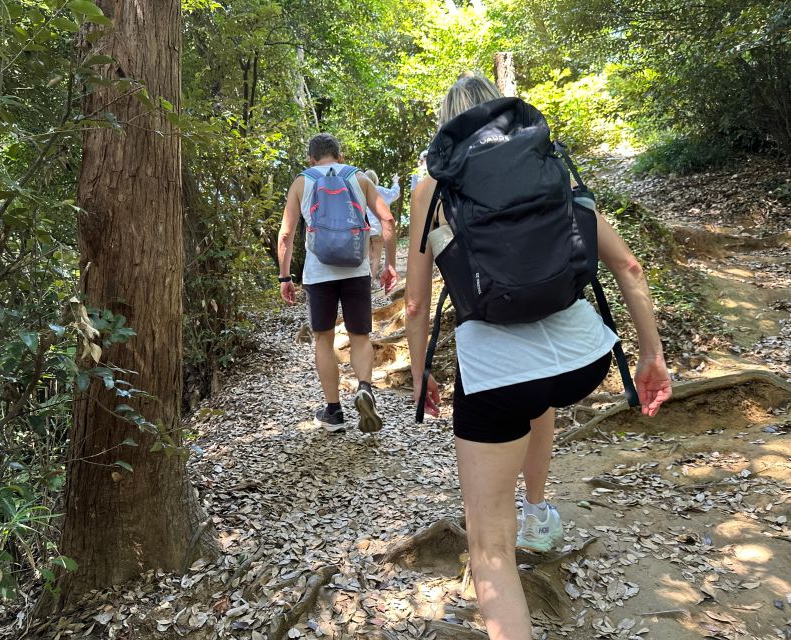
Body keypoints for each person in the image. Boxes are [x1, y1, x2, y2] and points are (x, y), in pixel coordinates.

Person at [405, 74, 672, 640]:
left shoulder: (432, 187)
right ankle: (538, 512)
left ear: (448, 127)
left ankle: (523, 532)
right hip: (582, 360)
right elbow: (628, 266)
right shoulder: (545, 164)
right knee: (538, 398)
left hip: (498, 376)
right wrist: (651, 355)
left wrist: (420, 370)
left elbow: (415, 303)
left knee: (489, 548)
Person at [278, 133, 399, 434]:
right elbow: (387, 220)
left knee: (323, 339)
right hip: (356, 268)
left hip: (319, 274)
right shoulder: (359, 178)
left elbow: (286, 234)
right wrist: (390, 265)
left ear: (311, 158)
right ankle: (365, 388)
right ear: (340, 156)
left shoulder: (301, 182)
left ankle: (334, 412)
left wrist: (285, 276)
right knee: (360, 336)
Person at [363, 170, 400, 286]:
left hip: (365, 228)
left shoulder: (362, 191)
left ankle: (366, 280)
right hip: (377, 228)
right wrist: (395, 181)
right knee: (377, 256)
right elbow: (395, 194)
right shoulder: (379, 190)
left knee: (367, 256)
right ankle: (372, 281)